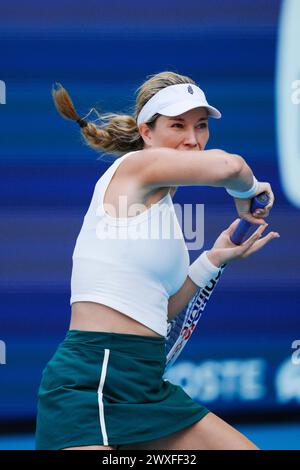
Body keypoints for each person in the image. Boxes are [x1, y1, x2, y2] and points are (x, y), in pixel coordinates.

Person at [35, 71, 279, 451]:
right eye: (177, 125)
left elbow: (159, 310)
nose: (193, 139)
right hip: (94, 381)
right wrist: (249, 189)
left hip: (144, 383)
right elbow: (230, 168)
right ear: (146, 132)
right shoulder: (133, 168)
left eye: (201, 126)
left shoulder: (162, 210)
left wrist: (213, 259)